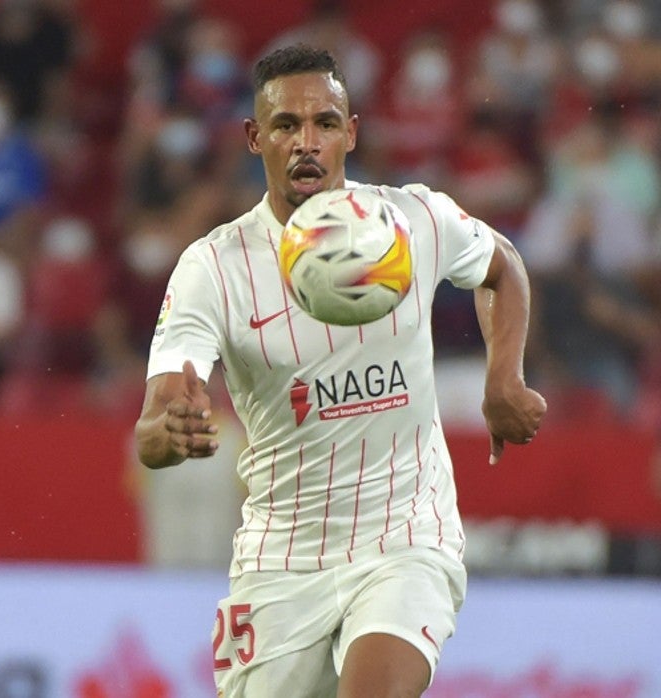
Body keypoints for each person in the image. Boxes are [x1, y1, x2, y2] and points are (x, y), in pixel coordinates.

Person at [133, 45, 546, 697]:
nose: (307, 142)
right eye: (285, 126)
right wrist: (167, 431)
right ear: (253, 137)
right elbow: (157, 419)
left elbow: (503, 266)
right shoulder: (213, 268)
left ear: (351, 132)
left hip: (405, 540)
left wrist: (505, 379)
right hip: (280, 560)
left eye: (326, 123)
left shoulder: (412, 220)